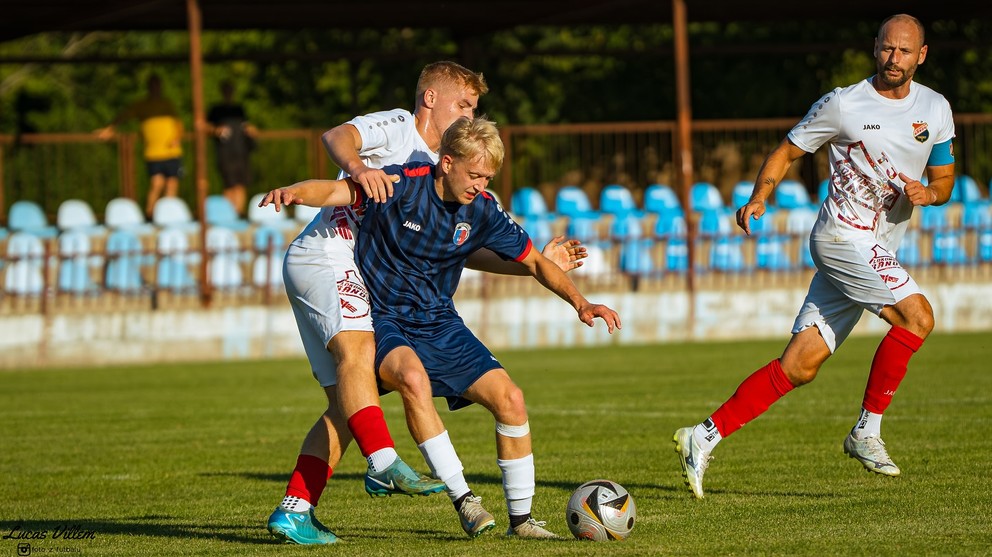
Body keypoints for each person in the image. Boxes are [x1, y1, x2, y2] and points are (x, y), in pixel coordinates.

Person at [263, 61, 587, 545]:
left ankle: (295, 507)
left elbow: (460, 246)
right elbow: (336, 137)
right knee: (360, 358)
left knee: (348, 405)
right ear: (431, 99)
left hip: (394, 292)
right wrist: (357, 169)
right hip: (330, 254)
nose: (468, 116)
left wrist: (536, 263)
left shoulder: (456, 172)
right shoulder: (398, 134)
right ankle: (386, 464)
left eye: (475, 109)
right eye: (463, 104)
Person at [673, 13, 955, 499]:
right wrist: (759, 196)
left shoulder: (935, 108)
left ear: (921, 55)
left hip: (877, 245)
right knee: (917, 317)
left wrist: (929, 194)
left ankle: (701, 436)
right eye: (887, 49)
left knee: (800, 366)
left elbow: (945, 179)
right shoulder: (844, 104)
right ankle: (866, 431)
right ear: (875, 48)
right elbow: (786, 151)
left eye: (905, 51)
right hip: (842, 237)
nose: (894, 59)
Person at [96, 74, 184, 217]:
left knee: (172, 184)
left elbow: (179, 125)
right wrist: (110, 128)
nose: (155, 88)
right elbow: (124, 116)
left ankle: (169, 215)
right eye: (153, 85)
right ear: (149, 87)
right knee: (157, 184)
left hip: (172, 152)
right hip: (154, 152)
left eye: (157, 85)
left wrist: (176, 138)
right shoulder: (142, 105)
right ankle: (150, 214)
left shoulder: (167, 103)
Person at [207, 80, 258, 215]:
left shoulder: (239, 109)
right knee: (229, 184)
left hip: (241, 151)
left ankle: (239, 212)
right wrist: (216, 130)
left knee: (241, 183)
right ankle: (228, 214)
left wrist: (251, 130)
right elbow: (205, 127)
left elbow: (246, 125)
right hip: (225, 152)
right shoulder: (216, 110)